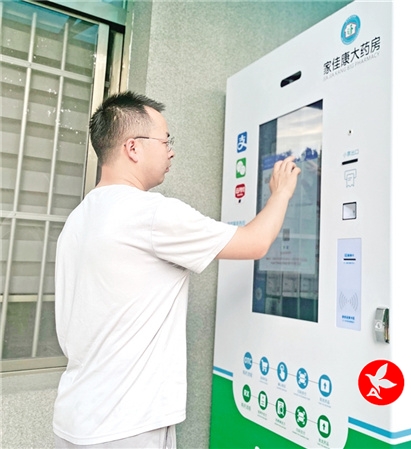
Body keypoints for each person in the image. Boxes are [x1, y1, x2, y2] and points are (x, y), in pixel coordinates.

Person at [53, 91, 300, 448]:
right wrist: (282, 192)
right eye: (166, 141)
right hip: (126, 426)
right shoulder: (150, 213)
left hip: (76, 418)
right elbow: (255, 243)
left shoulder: (78, 220)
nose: (171, 152)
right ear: (133, 147)